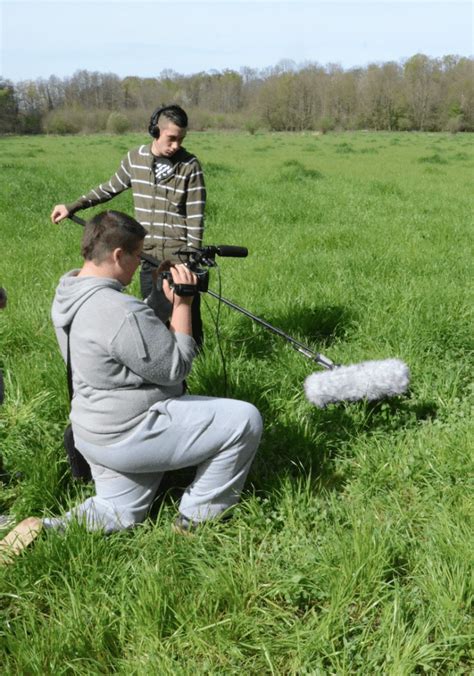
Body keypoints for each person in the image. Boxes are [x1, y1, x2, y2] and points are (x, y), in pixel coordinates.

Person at [34, 209, 261, 537]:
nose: (141, 263)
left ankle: (47, 531)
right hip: (131, 432)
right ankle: (197, 518)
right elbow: (175, 369)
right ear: (117, 255)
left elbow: (124, 346)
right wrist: (182, 304)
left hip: (93, 431)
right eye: (137, 255)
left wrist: (158, 303)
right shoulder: (121, 311)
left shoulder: (67, 293)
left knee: (118, 511)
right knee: (244, 420)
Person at [50, 104, 206, 348]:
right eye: (171, 138)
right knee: (154, 320)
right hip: (147, 257)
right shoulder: (135, 159)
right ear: (156, 131)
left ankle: (195, 370)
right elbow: (108, 189)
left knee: (188, 320)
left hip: (180, 260)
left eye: (181, 139)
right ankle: (162, 370)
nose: (176, 145)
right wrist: (73, 206)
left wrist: (191, 261)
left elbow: (196, 217)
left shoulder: (190, 165)